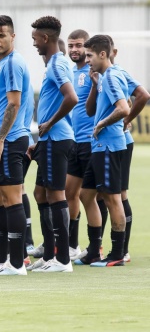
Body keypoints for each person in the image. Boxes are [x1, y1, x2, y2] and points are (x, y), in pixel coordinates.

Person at [0, 15, 31, 276]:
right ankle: (1, 260)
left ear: (13, 37)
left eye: (2, 35)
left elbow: (14, 104)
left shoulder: (12, 63)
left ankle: (16, 263)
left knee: (12, 200)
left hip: (10, 140)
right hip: (0, 140)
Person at [26, 16, 78, 273]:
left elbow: (72, 98)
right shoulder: (55, 64)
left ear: (46, 38)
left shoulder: (58, 65)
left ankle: (63, 259)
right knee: (41, 193)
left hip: (57, 138)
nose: (34, 43)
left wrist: (49, 123)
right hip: (49, 139)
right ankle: (49, 254)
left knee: (56, 194)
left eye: (35, 38)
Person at [75, 34, 130, 267]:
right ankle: (94, 250)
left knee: (112, 198)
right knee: (85, 195)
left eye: (89, 55)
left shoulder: (111, 77)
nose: (87, 60)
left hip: (108, 145)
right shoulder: (104, 78)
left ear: (103, 54)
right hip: (98, 147)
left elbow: (124, 108)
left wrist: (101, 123)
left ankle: (117, 254)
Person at [107, 38, 149, 262]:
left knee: (118, 194)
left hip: (118, 140)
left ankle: (122, 249)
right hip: (105, 142)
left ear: (112, 52)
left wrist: (127, 119)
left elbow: (142, 95)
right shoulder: (103, 74)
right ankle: (109, 248)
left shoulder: (117, 73)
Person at [64, 29, 92, 260]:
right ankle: (72, 245)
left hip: (93, 142)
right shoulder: (71, 73)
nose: (74, 50)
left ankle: (99, 246)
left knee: (98, 196)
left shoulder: (96, 72)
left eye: (79, 45)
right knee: (69, 192)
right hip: (75, 141)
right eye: (71, 45)